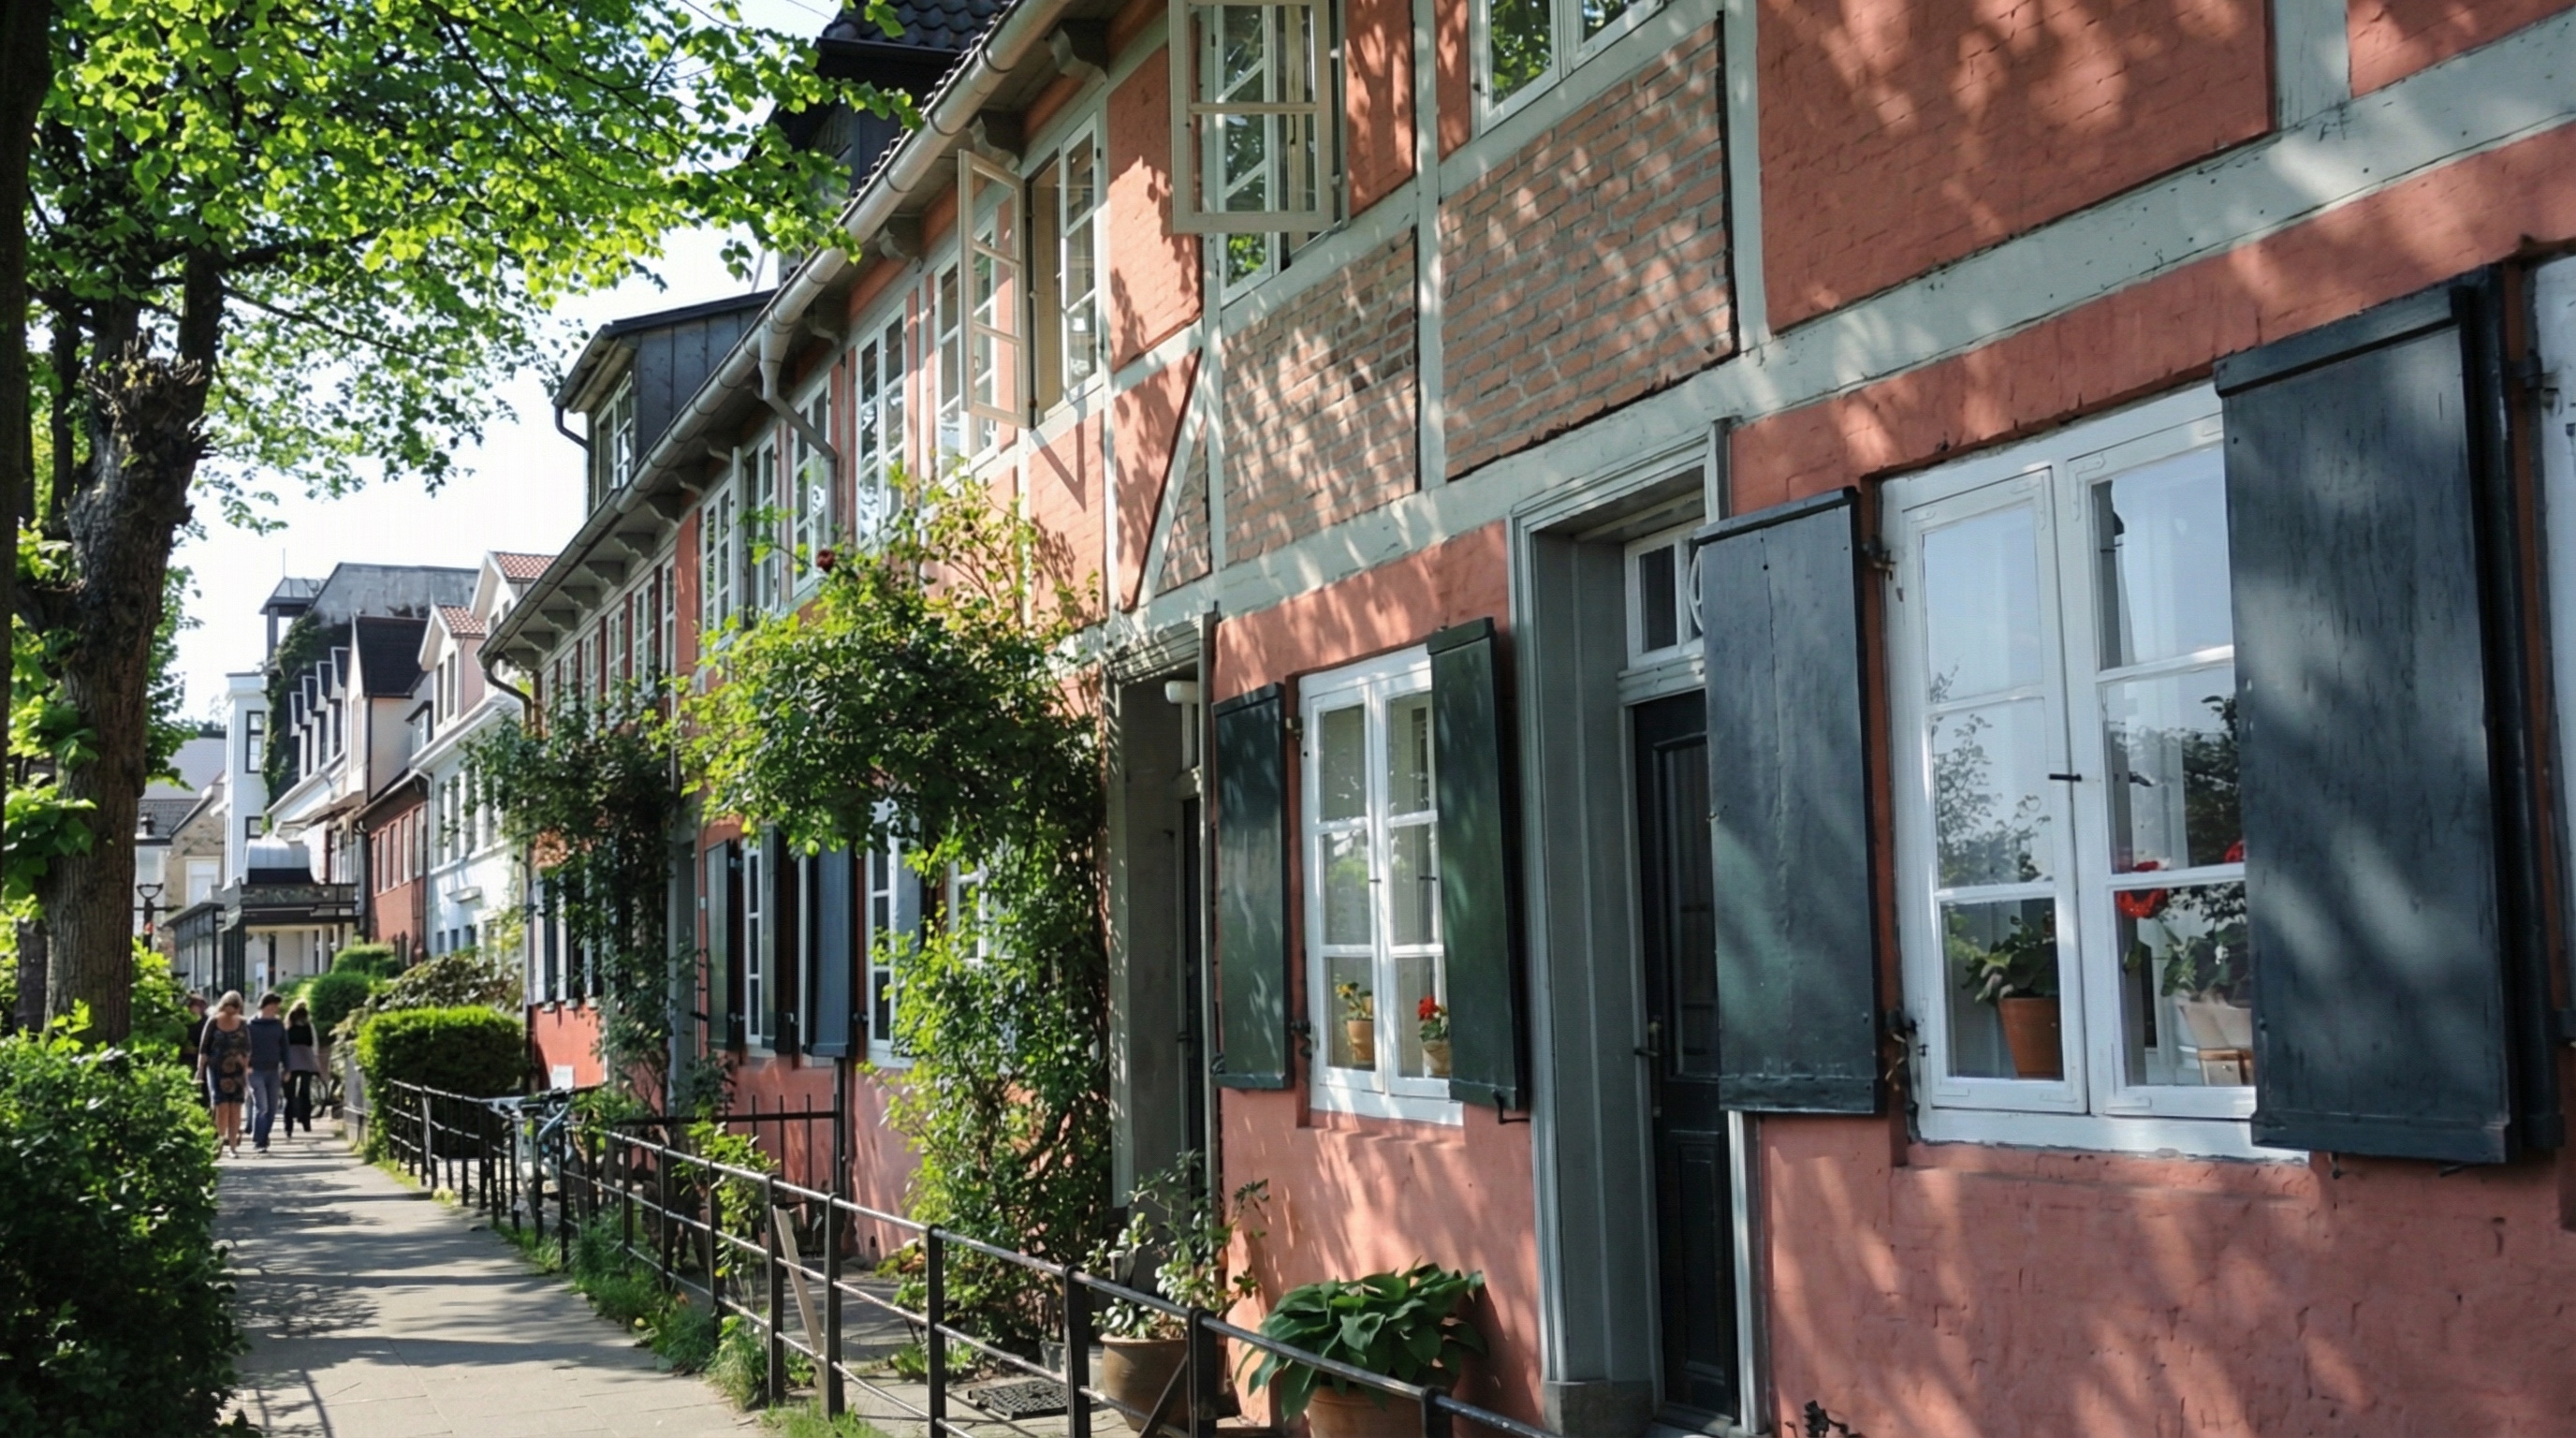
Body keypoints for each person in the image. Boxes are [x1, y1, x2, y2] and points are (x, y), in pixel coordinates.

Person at [197, 992, 251, 1158]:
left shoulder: (243, 1024)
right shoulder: (213, 1022)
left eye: (234, 1008)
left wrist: (246, 1070)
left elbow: (247, 1049)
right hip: (217, 1069)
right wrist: (200, 1070)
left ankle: (233, 1147)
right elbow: (204, 1048)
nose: (231, 1012)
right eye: (228, 1008)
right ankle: (219, 1142)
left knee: (236, 1107)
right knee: (221, 1106)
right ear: (223, 1006)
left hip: (237, 1071)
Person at [245, 991, 288, 1153]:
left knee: (271, 1107)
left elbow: (285, 1048)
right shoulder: (250, 1025)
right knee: (261, 1106)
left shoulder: (278, 1025)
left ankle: (264, 1136)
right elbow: (245, 1047)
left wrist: (287, 1068)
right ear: (266, 1006)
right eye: (274, 1006)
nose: (276, 1009)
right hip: (255, 1070)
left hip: (273, 1070)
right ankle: (259, 1141)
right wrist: (246, 1065)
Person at [283, 1000, 320, 1137]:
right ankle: (306, 1122)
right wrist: (316, 1064)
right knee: (305, 1093)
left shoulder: (287, 1027)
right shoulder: (309, 1026)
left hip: (291, 1063)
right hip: (306, 1062)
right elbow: (314, 1045)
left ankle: (288, 1127)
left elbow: (283, 1046)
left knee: (289, 1096)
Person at [179, 994, 211, 1104]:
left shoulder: (207, 1022)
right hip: (186, 1058)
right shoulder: (184, 1021)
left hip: (202, 1059)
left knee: (204, 1089)